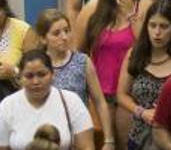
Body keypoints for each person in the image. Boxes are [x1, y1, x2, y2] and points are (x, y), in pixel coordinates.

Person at [73, 0, 152, 129]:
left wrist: (131, 13)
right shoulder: (93, 8)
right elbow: (77, 52)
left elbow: (147, 48)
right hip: (100, 94)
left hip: (132, 95)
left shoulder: (144, 6)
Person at [32, 10, 113, 147]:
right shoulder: (37, 66)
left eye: (66, 31)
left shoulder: (82, 61)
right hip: (47, 138)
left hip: (80, 136)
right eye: (56, 33)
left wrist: (109, 140)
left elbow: (100, 102)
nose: (64, 37)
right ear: (43, 39)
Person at [115, 0, 171, 150]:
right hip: (139, 137)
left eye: (164, 26)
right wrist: (142, 112)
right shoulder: (135, 54)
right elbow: (121, 95)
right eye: (152, 25)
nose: (157, 32)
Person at [0, 50, 93, 150]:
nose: (36, 81)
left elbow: (86, 146)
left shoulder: (72, 101)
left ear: (52, 74)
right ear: (20, 77)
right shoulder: (7, 106)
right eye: (29, 76)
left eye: (42, 74)